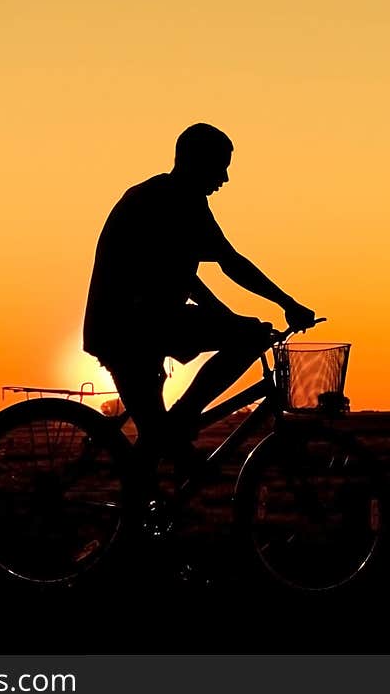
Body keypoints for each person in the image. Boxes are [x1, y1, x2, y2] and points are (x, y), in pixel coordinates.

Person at [82, 123, 315, 521]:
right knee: (249, 336)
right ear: (195, 161)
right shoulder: (176, 200)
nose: (224, 178)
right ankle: (182, 423)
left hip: (134, 326)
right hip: (134, 326)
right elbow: (231, 262)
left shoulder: (163, 197)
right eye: (220, 167)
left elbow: (184, 277)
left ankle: (138, 526)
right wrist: (287, 303)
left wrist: (225, 316)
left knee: (153, 446)